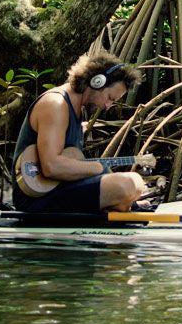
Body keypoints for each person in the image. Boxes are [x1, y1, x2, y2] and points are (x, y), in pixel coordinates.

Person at [10, 51, 154, 214]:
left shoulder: (77, 109)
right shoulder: (56, 104)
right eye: (110, 98)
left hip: (61, 190)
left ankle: (120, 205)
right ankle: (118, 206)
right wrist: (97, 169)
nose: (108, 106)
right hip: (37, 200)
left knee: (134, 183)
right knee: (127, 184)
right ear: (97, 82)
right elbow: (51, 167)